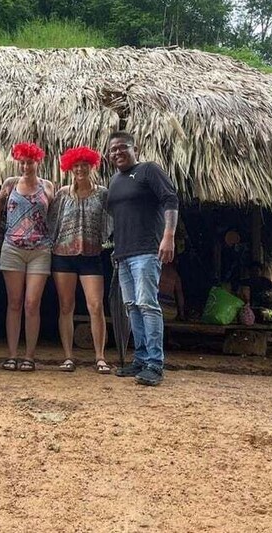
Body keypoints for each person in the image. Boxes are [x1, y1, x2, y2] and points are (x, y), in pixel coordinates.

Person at [106, 131, 178, 386]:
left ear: (134, 148)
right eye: (113, 149)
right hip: (123, 254)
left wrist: (168, 235)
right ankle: (141, 359)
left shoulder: (148, 170)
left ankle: (155, 364)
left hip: (147, 251)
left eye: (122, 147)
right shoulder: (115, 180)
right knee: (132, 307)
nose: (117, 153)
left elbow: (171, 199)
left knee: (147, 305)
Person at [49, 146, 111, 374]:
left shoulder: (103, 194)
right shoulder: (62, 194)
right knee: (66, 306)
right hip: (63, 256)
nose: (80, 169)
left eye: (84, 165)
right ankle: (68, 356)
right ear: (70, 168)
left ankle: (100, 356)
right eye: (76, 166)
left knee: (95, 305)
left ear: (91, 166)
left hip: (91, 255)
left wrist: (109, 241)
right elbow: (51, 223)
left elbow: (111, 221)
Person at [0, 143, 55, 372]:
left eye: (29, 162)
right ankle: (12, 354)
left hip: (40, 249)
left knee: (32, 304)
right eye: (21, 162)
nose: (25, 166)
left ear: (37, 161)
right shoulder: (10, 184)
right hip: (12, 247)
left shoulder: (48, 186)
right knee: (14, 303)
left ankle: (29, 356)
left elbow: (54, 216)